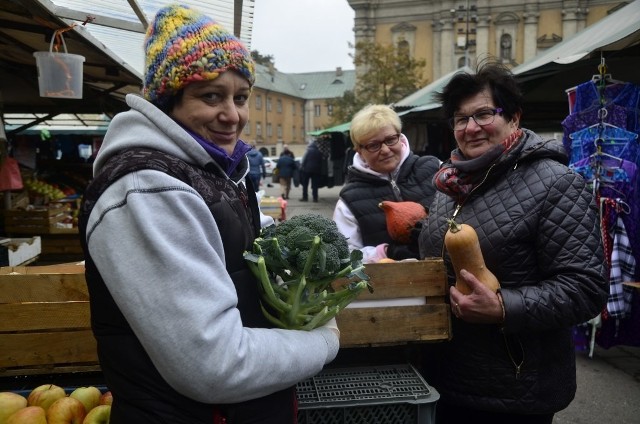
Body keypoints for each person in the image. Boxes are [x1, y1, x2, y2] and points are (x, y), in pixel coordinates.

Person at [77, 5, 339, 423]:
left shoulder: (212, 169)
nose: (232, 115)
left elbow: (231, 240)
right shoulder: (147, 189)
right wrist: (323, 342)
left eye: (240, 97)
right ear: (167, 101)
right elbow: (215, 364)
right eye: (211, 96)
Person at [418, 62, 609, 423]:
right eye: (460, 119)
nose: (471, 127)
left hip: (513, 386)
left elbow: (586, 288)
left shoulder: (557, 184)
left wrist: (505, 307)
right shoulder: (448, 184)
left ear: (514, 117)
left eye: (484, 114)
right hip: (444, 375)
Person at [333, 104, 440, 263]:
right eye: (373, 145)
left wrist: (436, 231)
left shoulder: (435, 168)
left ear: (400, 137)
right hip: (389, 283)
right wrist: (385, 252)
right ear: (359, 151)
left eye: (390, 140)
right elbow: (346, 255)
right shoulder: (348, 201)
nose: (385, 150)